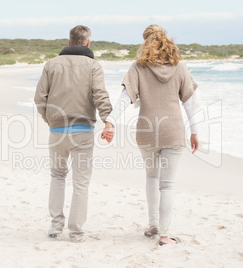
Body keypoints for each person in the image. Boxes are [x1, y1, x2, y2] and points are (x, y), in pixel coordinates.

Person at [102, 24, 200, 246]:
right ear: (166, 40)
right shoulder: (180, 67)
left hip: (146, 131)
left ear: (144, 42)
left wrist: (110, 121)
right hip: (173, 131)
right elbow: (189, 104)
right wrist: (194, 132)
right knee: (168, 184)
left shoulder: (137, 67)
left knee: (151, 177)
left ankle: (153, 224)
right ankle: (165, 235)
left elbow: (125, 98)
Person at [34, 25, 113, 243]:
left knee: (57, 176)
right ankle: (76, 232)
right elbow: (100, 95)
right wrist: (108, 121)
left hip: (56, 130)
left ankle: (56, 225)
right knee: (81, 183)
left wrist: (49, 119)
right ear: (88, 43)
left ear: (69, 43)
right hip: (83, 131)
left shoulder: (51, 64)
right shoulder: (93, 66)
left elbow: (40, 98)